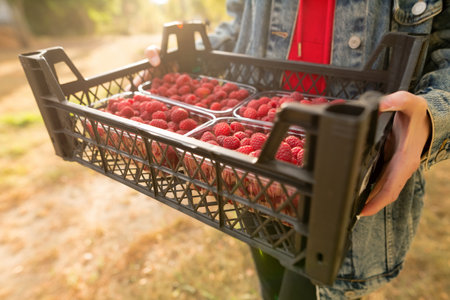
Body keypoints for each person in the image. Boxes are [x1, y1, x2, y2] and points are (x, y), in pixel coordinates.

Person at [144, 1, 449, 299]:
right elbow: (240, 21)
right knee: (270, 276)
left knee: (308, 286)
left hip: (346, 179)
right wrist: (188, 61)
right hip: (254, 163)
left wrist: (433, 113)